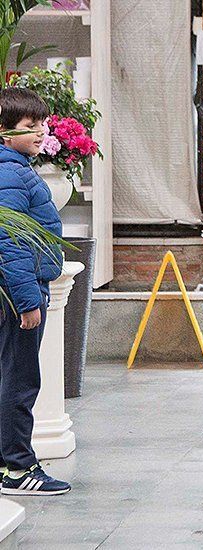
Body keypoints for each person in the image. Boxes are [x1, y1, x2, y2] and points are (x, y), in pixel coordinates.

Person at [0, 87, 70, 495]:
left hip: (14, 293)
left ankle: (7, 464)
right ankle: (19, 468)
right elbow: (10, 241)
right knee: (21, 380)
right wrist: (28, 301)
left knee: (10, 377)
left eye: (43, 123)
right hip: (16, 297)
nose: (41, 132)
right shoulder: (10, 172)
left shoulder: (15, 166)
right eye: (31, 127)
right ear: (4, 133)